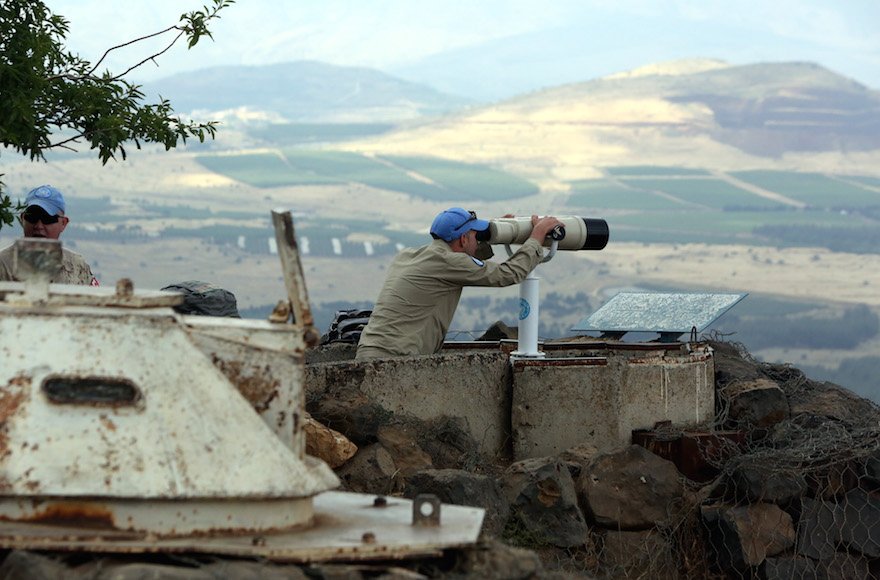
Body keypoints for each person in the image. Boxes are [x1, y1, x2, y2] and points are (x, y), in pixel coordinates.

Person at [356, 207, 563, 359]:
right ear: (463, 239)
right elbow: (507, 274)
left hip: (369, 353)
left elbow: (465, 257)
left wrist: (494, 233)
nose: (477, 239)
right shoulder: (449, 262)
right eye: (475, 235)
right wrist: (537, 237)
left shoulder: (409, 255)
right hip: (394, 359)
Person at [0, 185, 97, 285]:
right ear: (22, 219)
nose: (39, 226)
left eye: (48, 219)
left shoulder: (77, 266)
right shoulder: (3, 265)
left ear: (63, 224)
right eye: (32, 217)